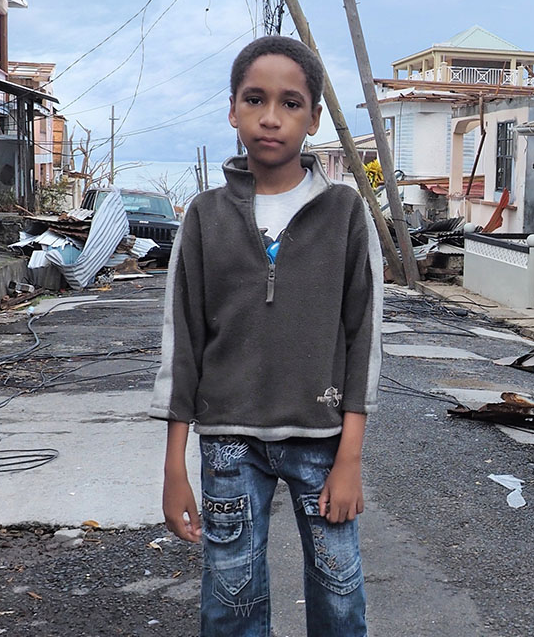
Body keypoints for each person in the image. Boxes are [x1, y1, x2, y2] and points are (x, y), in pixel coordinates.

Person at [150, 35, 382, 637]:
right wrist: (175, 463)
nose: (271, 117)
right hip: (227, 440)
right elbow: (184, 339)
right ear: (233, 109)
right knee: (231, 599)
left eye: (291, 103)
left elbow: (364, 339)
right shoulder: (204, 216)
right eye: (255, 100)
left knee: (339, 595)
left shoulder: (345, 214)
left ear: (313, 118)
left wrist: (351, 455)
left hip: (321, 438)